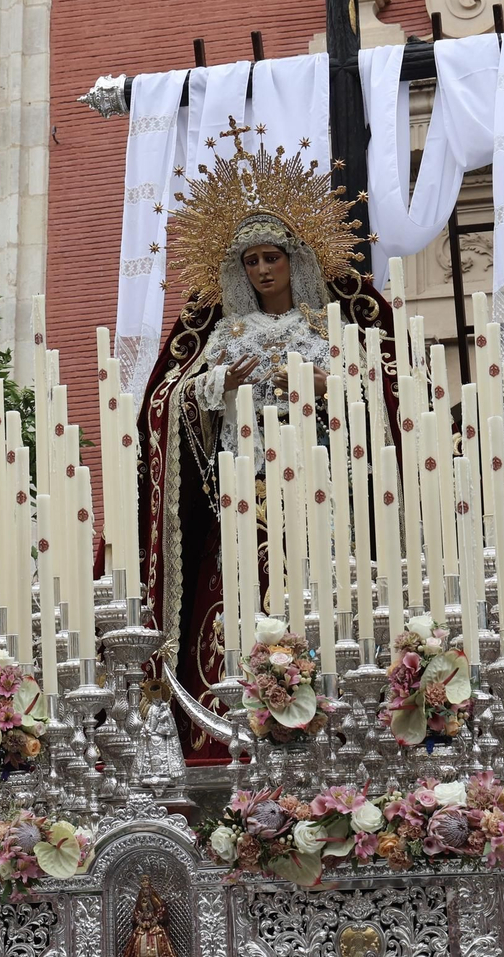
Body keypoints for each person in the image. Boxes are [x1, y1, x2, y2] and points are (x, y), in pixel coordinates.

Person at [137, 122, 401, 758]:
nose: (261, 270)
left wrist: (313, 383)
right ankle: (228, 723)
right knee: (236, 593)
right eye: (250, 261)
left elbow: (369, 398)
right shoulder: (225, 333)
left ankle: (331, 715)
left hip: (315, 484)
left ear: (295, 260)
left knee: (320, 591)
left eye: (271, 258)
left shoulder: (325, 329)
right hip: (243, 486)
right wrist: (220, 384)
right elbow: (173, 401)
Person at [121, 875, 176, 957]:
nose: (145, 891)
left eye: (147, 889)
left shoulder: (156, 899)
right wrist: (140, 921)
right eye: (144, 889)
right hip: (142, 928)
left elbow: (161, 909)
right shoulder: (140, 899)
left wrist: (156, 919)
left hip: (155, 928)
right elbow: (137, 912)